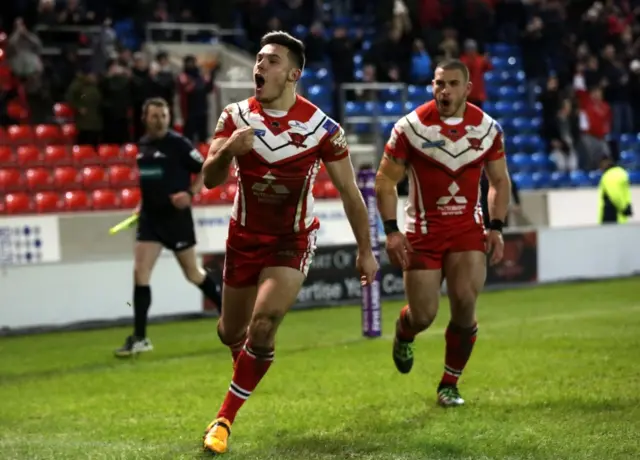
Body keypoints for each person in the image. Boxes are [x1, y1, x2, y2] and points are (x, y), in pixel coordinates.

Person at [200, 31, 379, 454]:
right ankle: (245, 363)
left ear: (294, 73)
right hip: (243, 237)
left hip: (292, 239)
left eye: (271, 60)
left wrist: (366, 250)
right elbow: (208, 179)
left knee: (263, 324)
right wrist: (228, 150)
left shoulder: (323, 129)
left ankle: (223, 419)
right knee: (231, 330)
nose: (259, 66)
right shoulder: (234, 115)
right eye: (259, 59)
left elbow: (352, 195)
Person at [375, 59, 511, 407]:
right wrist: (391, 231)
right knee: (423, 315)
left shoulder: (488, 128)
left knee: (465, 301)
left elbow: (498, 181)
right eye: (438, 84)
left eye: (452, 84)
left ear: (468, 88)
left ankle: (449, 384)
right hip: (423, 231)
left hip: (467, 228)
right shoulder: (411, 127)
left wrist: (496, 226)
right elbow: (386, 180)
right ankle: (404, 332)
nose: (444, 90)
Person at [114, 98, 222, 358]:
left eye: (164, 115)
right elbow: (150, 181)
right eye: (155, 116)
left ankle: (230, 317)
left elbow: (207, 169)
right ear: (145, 117)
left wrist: (190, 193)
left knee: (193, 274)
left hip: (176, 219)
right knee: (140, 273)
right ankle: (140, 338)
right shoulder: (143, 145)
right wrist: (142, 205)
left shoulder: (178, 144)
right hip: (150, 220)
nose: (160, 119)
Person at [598, 155, 633, 224]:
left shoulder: (609, 175)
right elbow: (626, 193)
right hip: (621, 216)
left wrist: (623, 208)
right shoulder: (622, 172)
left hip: (612, 215)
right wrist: (627, 205)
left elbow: (614, 195)